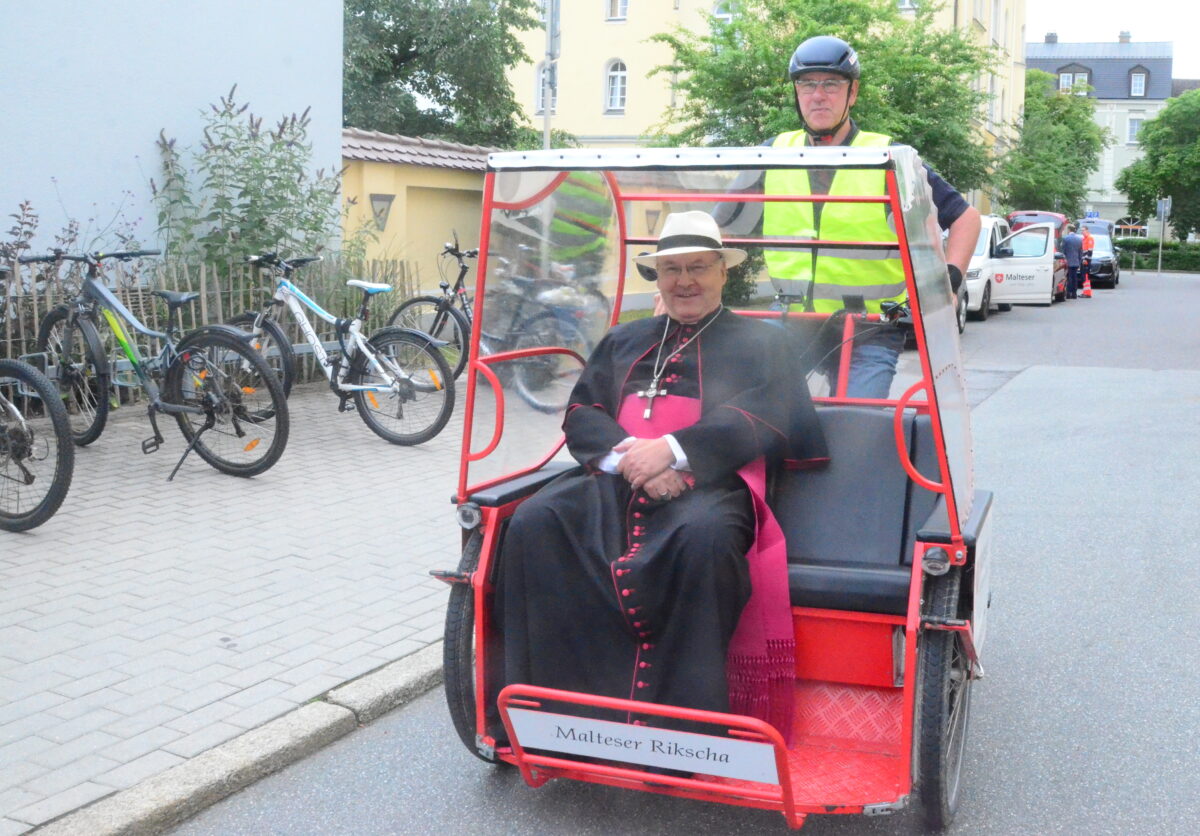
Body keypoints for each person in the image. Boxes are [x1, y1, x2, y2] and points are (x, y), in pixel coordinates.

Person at [496, 211, 823, 741]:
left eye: (698, 267)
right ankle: (560, 715)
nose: (685, 281)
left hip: (714, 483)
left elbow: (774, 414)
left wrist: (675, 452)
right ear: (657, 277)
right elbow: (581, 411)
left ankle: (680, 729)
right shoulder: (625, 339)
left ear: (723, 272)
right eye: (672, 269)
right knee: (535, 521)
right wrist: (633, 461)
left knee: (703, 540)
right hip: (615, 479)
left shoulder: (764, 343)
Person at [720, 35, 981, 398]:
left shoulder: (887, 157)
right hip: (794, 321)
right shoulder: (772, 154)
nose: (817, 94)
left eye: (831, 84)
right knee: (744, 400)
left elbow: (966, 218)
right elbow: (719, 228)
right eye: (807, 84)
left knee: (858, 417)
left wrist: (946, 286)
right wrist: (677, 281)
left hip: (870, 327)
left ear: (852, 92)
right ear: (796, 93)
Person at [1062, 224, 1084, 299]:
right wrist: (1079, 260)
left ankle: (1068, 293)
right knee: (1074, 277)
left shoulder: (1066, 238)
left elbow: (1063, 250)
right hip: (1076, 261)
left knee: (1069, 278)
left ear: (1068, 230)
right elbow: (1081, 252)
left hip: (1068, 261)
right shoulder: (1079, 239)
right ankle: (1074, 293)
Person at [1079, 224, 1096, 292]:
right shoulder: (1083, 239)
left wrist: (1085, 259)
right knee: (1083, 276)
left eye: (1083, 230)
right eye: (1081, 230)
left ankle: (1087, 293)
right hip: (1083, 260)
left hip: (1086, 261)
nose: (1082, 232)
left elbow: (1090, 251)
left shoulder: (1090, 238)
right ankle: (1085, 292)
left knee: (1085, 276)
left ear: (1087, 230)